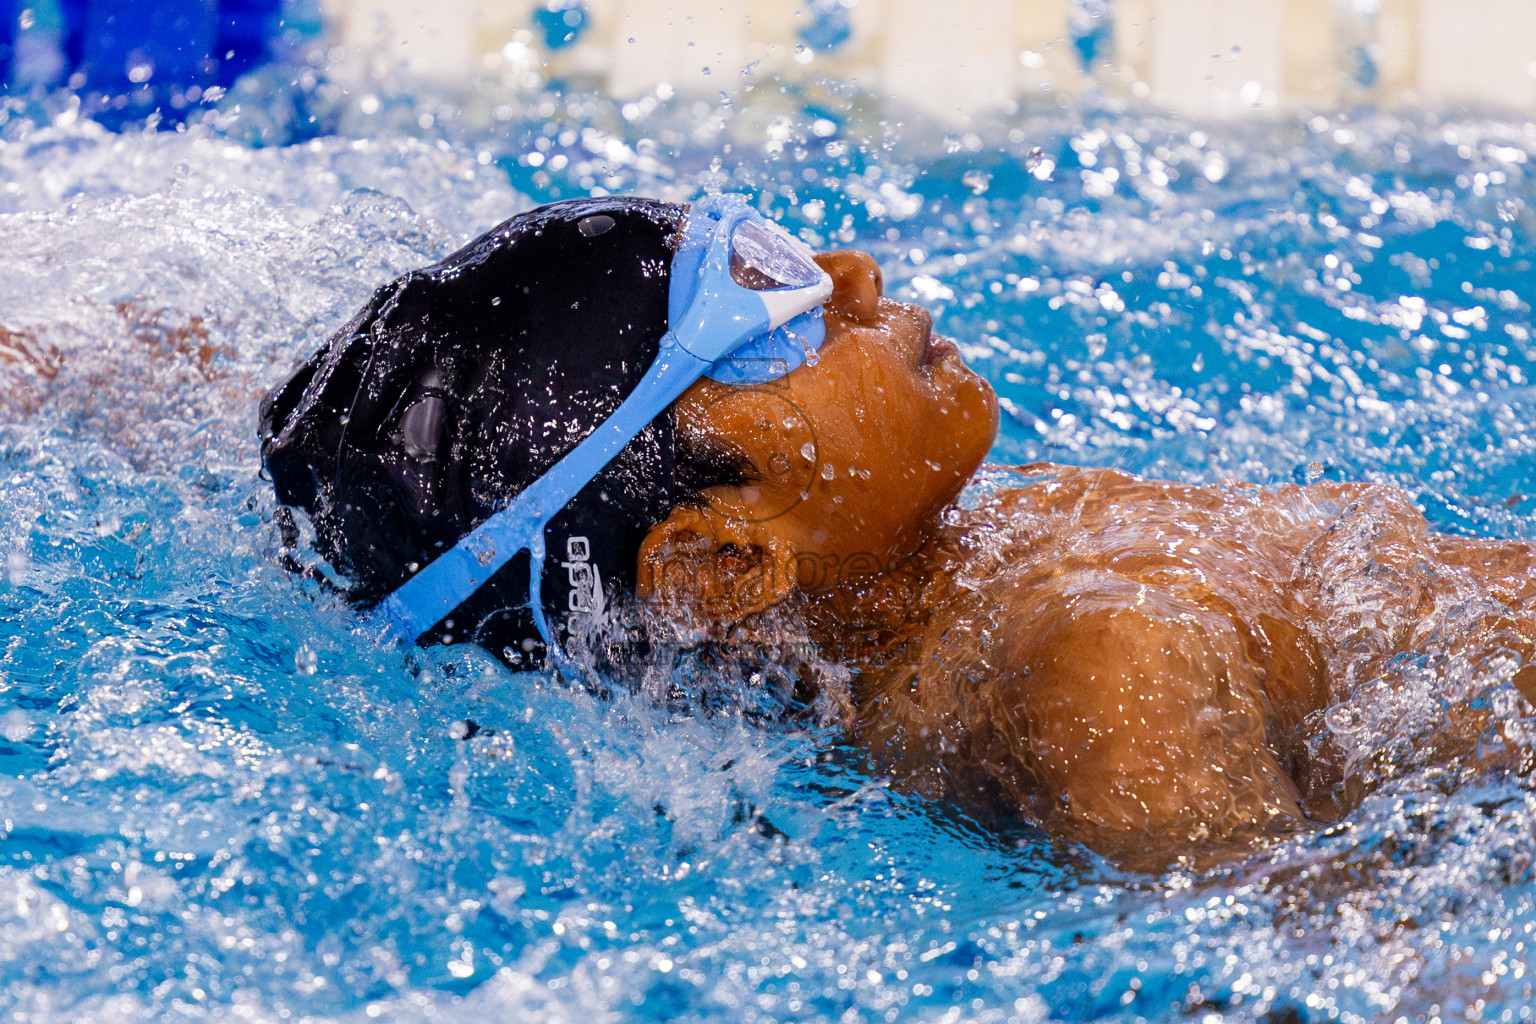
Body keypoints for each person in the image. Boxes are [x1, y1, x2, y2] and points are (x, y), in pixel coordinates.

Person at [260, 195, 1536, 856]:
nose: (854, 277)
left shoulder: (943, 581)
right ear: (724, 565)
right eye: (769, 321)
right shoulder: (1098, 669)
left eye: (773, 254)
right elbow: (1313, 947)